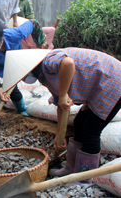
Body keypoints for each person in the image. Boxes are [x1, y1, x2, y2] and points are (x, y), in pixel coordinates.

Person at [9, 48, 121, 183]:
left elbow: (68, 63)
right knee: (79, 122)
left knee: (90, 130)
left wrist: (63, 95)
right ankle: (70, 168)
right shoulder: (44, 75)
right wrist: (59, 135)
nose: (23, 79)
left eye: (22, 75)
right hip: (100, 85)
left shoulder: (47, 62)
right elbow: (61, 105)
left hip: (113, 82)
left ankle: (84, 179)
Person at [0, 20, 47, 124]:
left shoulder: (16, 34)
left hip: (13, 63)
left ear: (1, 40)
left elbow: (34, 23)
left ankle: (22, 111)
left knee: (13, 90)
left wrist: (40, 43)